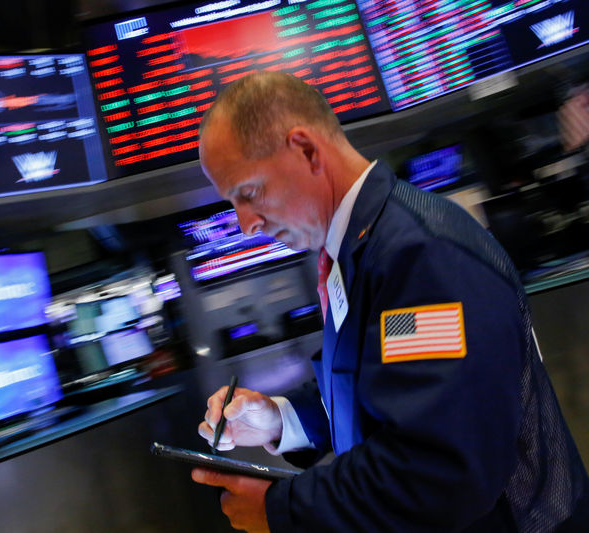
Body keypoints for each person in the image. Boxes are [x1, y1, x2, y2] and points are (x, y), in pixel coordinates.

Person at [193, 71, 589, 532]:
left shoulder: (421, 256)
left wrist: (282, 510)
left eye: (249, 192)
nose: (245, 224)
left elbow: (439, 470)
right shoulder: (364, 249)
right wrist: (278, 419)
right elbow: (385, 385)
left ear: (305, 150)